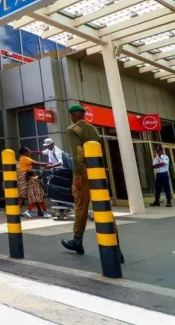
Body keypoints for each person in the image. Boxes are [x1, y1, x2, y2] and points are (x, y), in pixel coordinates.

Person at [60, 105, 123, 263]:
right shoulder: (93, 129)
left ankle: (77, 241)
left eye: (71, 115)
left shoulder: (73, 129)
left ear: (74, 115)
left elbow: (78, 153)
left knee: (81, 206)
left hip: (85, 173)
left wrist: (77, 176)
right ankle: (116, 247)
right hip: (98, 171)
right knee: (103, 209)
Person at [16, 147, 50, 218]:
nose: (29, 153)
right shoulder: (25, 158)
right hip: (24, 178)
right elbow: (35, 163)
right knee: (23, 196)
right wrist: (44, 164)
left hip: (25, 177)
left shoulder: (22, 158)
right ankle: (16, 212)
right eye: (28, 151)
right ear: (25, 153)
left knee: (35, 195)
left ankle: (40, 211)